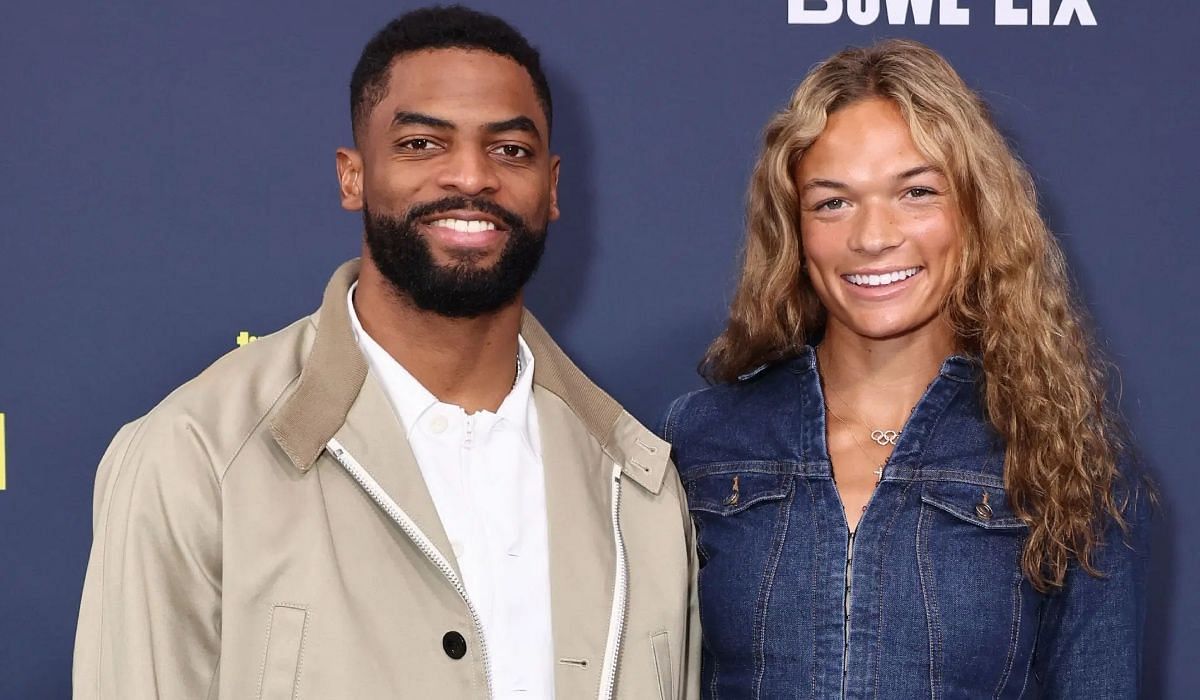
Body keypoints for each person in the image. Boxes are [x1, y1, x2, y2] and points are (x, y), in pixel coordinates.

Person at [74, 7, 698, 699]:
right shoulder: (196, 456)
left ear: (551, 189)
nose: (471, 176)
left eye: (510, 150)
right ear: (353, 177)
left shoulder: (638, 484)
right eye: (422, 144)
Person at [660, 39, 1149, 699]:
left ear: (973, 214)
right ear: (794, 229)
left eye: (915, 192)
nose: (872, 236)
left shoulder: (1064, 457)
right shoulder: (703, 438)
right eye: (833, 202)